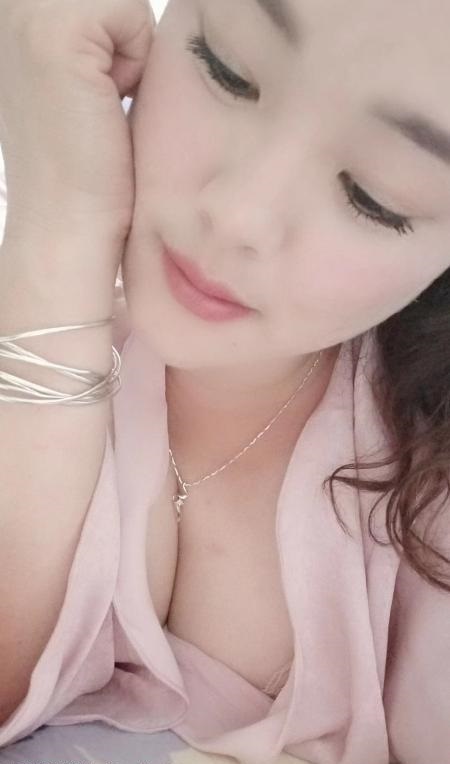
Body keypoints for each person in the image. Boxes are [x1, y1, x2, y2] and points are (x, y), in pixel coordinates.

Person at [0, 0, 449, 762]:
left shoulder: (425, 483)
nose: (239, 215)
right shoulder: (36, 315)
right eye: (227, 67)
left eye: (374, 197)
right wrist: (61, 222)